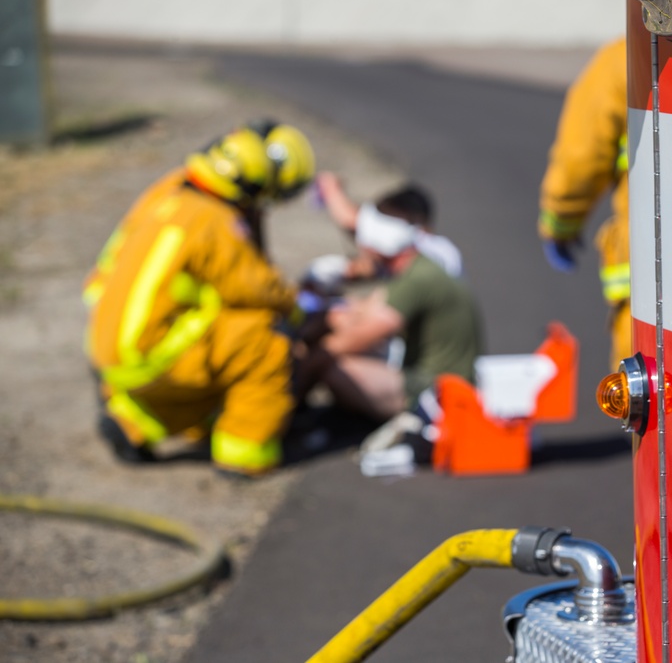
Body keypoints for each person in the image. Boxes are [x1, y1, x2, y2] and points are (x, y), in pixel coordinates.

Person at [82, 120, 316, 477]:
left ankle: (133, 421)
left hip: (107, 337)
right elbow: (254, 287)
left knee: (215, 347)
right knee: (265, 339)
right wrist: (298, 309)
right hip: (151, 351)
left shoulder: (172, 193)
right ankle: (246, 454)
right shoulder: (216, 220)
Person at [297, 185, 482, 426]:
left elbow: (360, 335)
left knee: (333, 365)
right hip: (436, 374)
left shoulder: (417, 278)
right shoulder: (418, 267)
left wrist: (306, 366)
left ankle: (292, 411)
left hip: (440, 390)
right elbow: (369, 310)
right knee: (336, 321)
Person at [537, 37, 630, 370]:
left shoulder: (627, 57)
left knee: (650, 402)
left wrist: (560, 224)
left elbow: (580, 160)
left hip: (655, 274)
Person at [314, 171, 464, 279]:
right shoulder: (436, 251)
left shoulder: (431, 260)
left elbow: (350, 220)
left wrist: (329, 186)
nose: (366, 247)